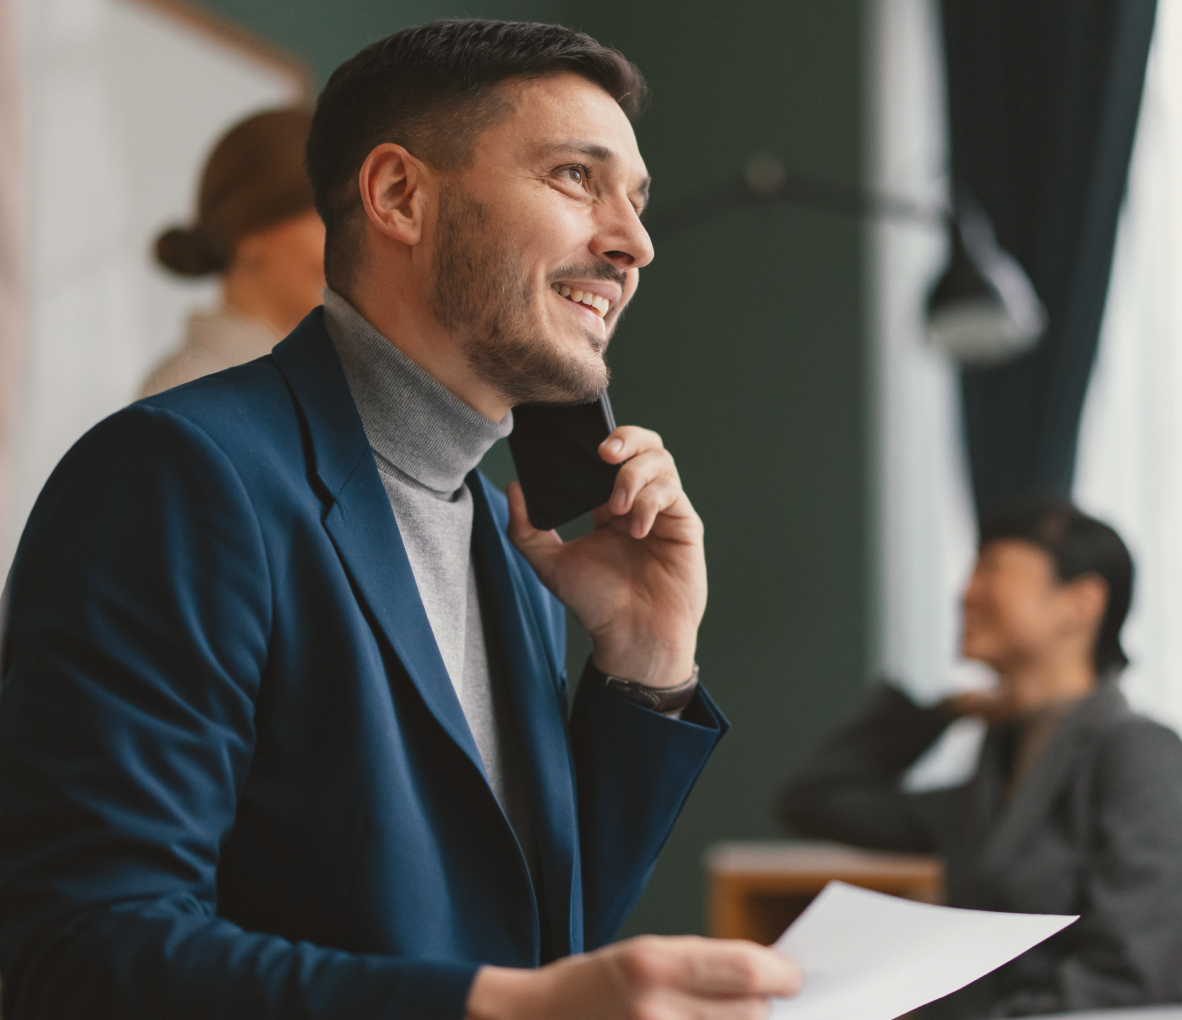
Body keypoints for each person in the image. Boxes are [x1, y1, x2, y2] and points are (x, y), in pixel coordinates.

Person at [0, 20, 802, 1020]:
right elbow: (80, 956)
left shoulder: (516, 556)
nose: (633, 242)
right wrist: (504, 1010)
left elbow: (536, 941)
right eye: (573, 178)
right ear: (399, 196)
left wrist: (646, 660)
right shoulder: (180, 478)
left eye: (634, 201)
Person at [778, 496, 1182, 1017]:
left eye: (992, 571)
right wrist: (940, 713)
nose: (966, 594)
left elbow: (1131, 972)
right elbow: (814, 799)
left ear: (1079, 603)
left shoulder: (1136, 753)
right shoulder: (994, 770)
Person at [139, 107, 325, 397]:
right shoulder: (187, 394)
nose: (349, 249)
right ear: (250, 232)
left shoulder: (308, 386)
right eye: (327, 220)